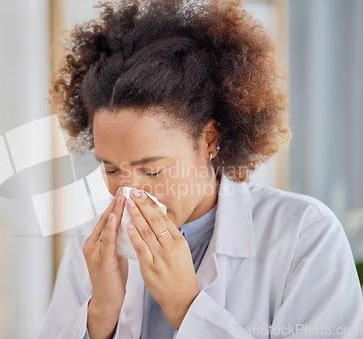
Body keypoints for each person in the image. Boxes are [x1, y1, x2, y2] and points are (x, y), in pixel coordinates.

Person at [37, 0, 363, 338]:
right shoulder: (94, 242)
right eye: (112, 170)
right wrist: (101, 310)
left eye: (151, 172)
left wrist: (185, 306)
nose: (128, 193)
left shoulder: (305, 236)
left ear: (209, 140)